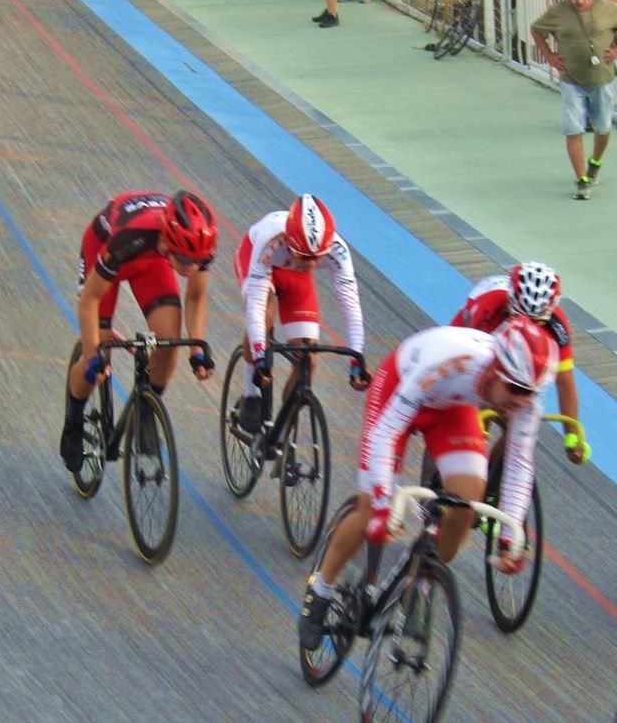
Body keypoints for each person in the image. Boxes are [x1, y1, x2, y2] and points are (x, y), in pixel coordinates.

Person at [299, 317, 559, 650]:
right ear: (495, 370)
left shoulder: (525, 402)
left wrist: (510, 539)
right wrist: (383, 504)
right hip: (399, 392)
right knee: (369, 514)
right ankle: (320, 592)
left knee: (466, 506)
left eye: (531, 393)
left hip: (451, 409)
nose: (521, 401)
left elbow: (520, 463)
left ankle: (420, 581)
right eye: (517, 390)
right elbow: (386, 432)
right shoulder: (449, 364)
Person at [60, 191, 218, 474]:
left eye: (198, 261)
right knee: (99, 356)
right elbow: (90, 301)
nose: (192, 268)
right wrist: (93, 353)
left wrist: (196, 350)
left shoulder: (200, 245)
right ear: (168, 242)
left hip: (152, 261)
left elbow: (196, 297)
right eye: (185, 260)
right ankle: (73, 421)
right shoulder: (129, 238)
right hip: (107, 251)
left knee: (169, 340)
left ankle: (145, 411)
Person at [234, 194, 369, 435]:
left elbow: (350, 306)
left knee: (308, 357)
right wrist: (260, 357)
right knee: (264, 316)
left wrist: (356, 359)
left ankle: (280, 436)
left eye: (316, 257)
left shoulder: (337, 250)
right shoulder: (271, 241)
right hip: (259, 260)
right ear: (290, 242)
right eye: (304, 256)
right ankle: (251, 395)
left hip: (294, 274)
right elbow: (254, 306)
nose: (311, 263)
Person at [452, 261, 589, 464]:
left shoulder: (557, 326)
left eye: (535, 322)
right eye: (518, 317)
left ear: (549, 314)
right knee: (473, 417)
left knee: (518, 422)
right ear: (509, 303)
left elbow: (565, 383)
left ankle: (492, 473)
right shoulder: (488, 308)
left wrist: (571, 437)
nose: (526, 327)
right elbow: (477, 374)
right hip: (476, 335)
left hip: (513, 340)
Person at [530, 0, 617, 200]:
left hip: (602, 78)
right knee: (573, 129)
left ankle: (595, 163)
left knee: (602, 128)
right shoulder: (557, 12)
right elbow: (536, 30)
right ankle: (582, 180)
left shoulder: (605, 7)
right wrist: (549, 56)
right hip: (571, 80)